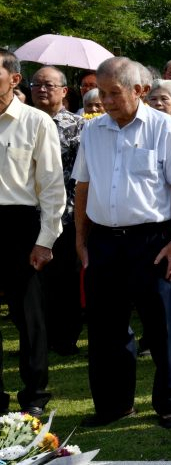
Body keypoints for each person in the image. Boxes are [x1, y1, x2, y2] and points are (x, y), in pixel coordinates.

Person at [72, 56, 171, 429]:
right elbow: (82, 186)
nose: (106, 102)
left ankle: (170, 405)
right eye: (102, 94)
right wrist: (80, 240)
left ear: (139, 90)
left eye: (114, 93)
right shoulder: (92, 131)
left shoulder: (162, 127)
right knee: (106, 328)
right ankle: (114, 405)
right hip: (105, 241)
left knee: (163, 327)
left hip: (152, 240)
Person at [0, 50, 65, 417]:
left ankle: (35, 395)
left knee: (29, 317)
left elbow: (53, 187)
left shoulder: (36, 122)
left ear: (14, 79)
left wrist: (45, 240)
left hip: (19, 223)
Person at [29, 66, 85, 356]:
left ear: (64, 91)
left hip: (67, 214)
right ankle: (39, 337)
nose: (41, 90)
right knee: (33, 282)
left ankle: (65, 337)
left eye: (49, 85)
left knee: (64, 280)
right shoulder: (23, 121)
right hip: (28, 213)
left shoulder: (78, 126)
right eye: (36, 84)